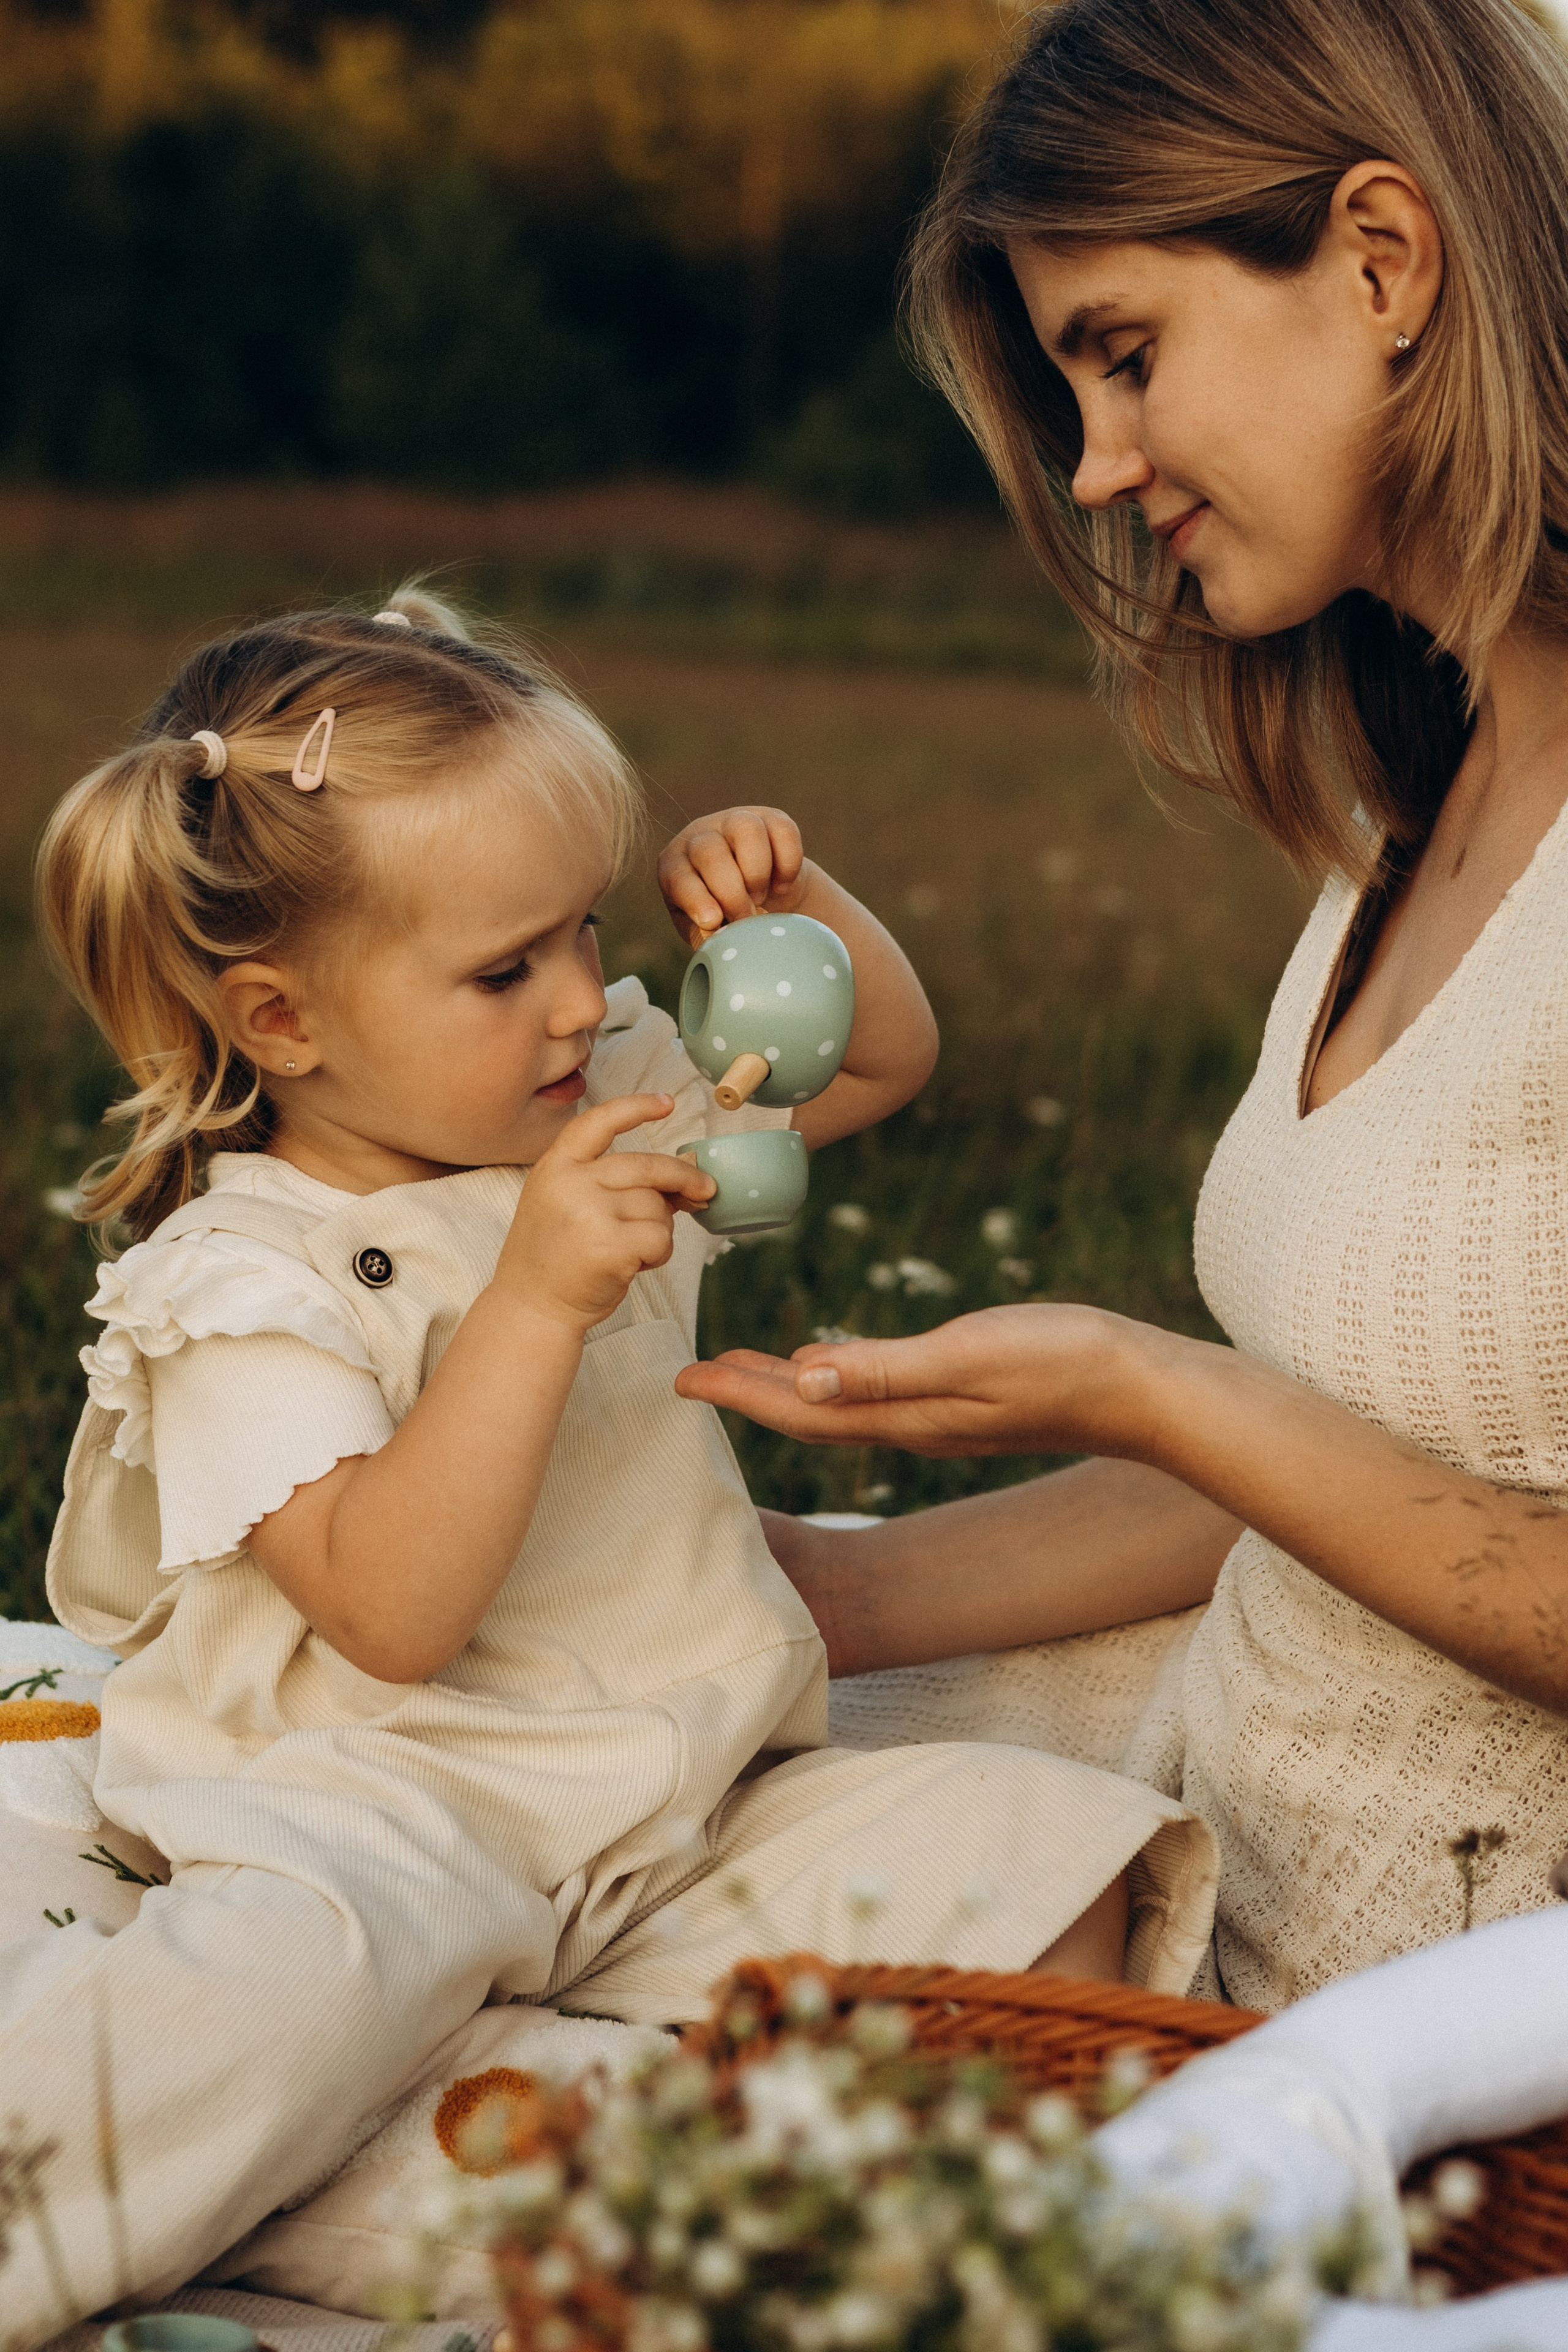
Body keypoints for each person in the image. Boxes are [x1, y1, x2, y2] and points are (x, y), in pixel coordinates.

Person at [1, 589, 1216, 2336]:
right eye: (506, 969)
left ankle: (927, 2217)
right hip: (382, 1807)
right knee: (275, 1995)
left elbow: (886, 1055)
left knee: (1043, 1859)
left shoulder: (597, 1098)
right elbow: (394, 1612)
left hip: (675, 1793)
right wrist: (535, 1297)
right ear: (282, 1023)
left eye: (583, 927)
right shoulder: (237, 1286)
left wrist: (801, 913)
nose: (580, 998)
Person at [680, 0, 1568, 2015]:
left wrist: (1147, 1376)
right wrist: (826, 1592)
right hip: (1199, 1808)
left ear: (1382, 257)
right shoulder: (1407, 819)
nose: (1095, 470)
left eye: (1126, 356)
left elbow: (1260, 1438)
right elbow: (1337, 1466)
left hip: (1409, 2015)